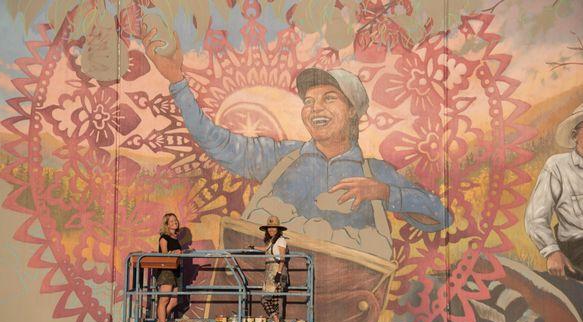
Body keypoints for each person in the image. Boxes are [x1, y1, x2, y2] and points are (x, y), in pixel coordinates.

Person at [141, 28, 451, 254]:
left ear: (354, 113)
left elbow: (440, 215)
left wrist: (384, 193)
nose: (316, 108)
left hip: (345, 307)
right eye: (309, 100)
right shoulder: (279, 158)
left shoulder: (376, 174)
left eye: (329, 98)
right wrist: (177, 82)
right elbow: (214, 141)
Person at [525, 103, 583, 280]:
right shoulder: (557, 166)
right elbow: (535, 217)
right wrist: (552, 251)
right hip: (578, 251)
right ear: (575, 135)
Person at [249, 215, 288, 322]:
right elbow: (266, 249)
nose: (271, 230)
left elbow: (282, 257)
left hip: (277, 272)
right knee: (268, 299)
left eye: (273, 228)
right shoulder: (271, 241)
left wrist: (279, 274)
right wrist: (254, 247)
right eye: (269, 228)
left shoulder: (281, 240)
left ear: (278, 229)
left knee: (273, 300)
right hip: (270, 273)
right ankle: (276, 320)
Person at [155, 213, 183, 322]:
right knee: (164, 299)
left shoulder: (175, 238)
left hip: (176, 270)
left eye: (175, 220)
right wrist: (174, 252)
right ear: (166, 224)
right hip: (167, 270)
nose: (174, 222)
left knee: (174, 301)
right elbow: (164, 254)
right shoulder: (164, 238)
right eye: (171, 221)